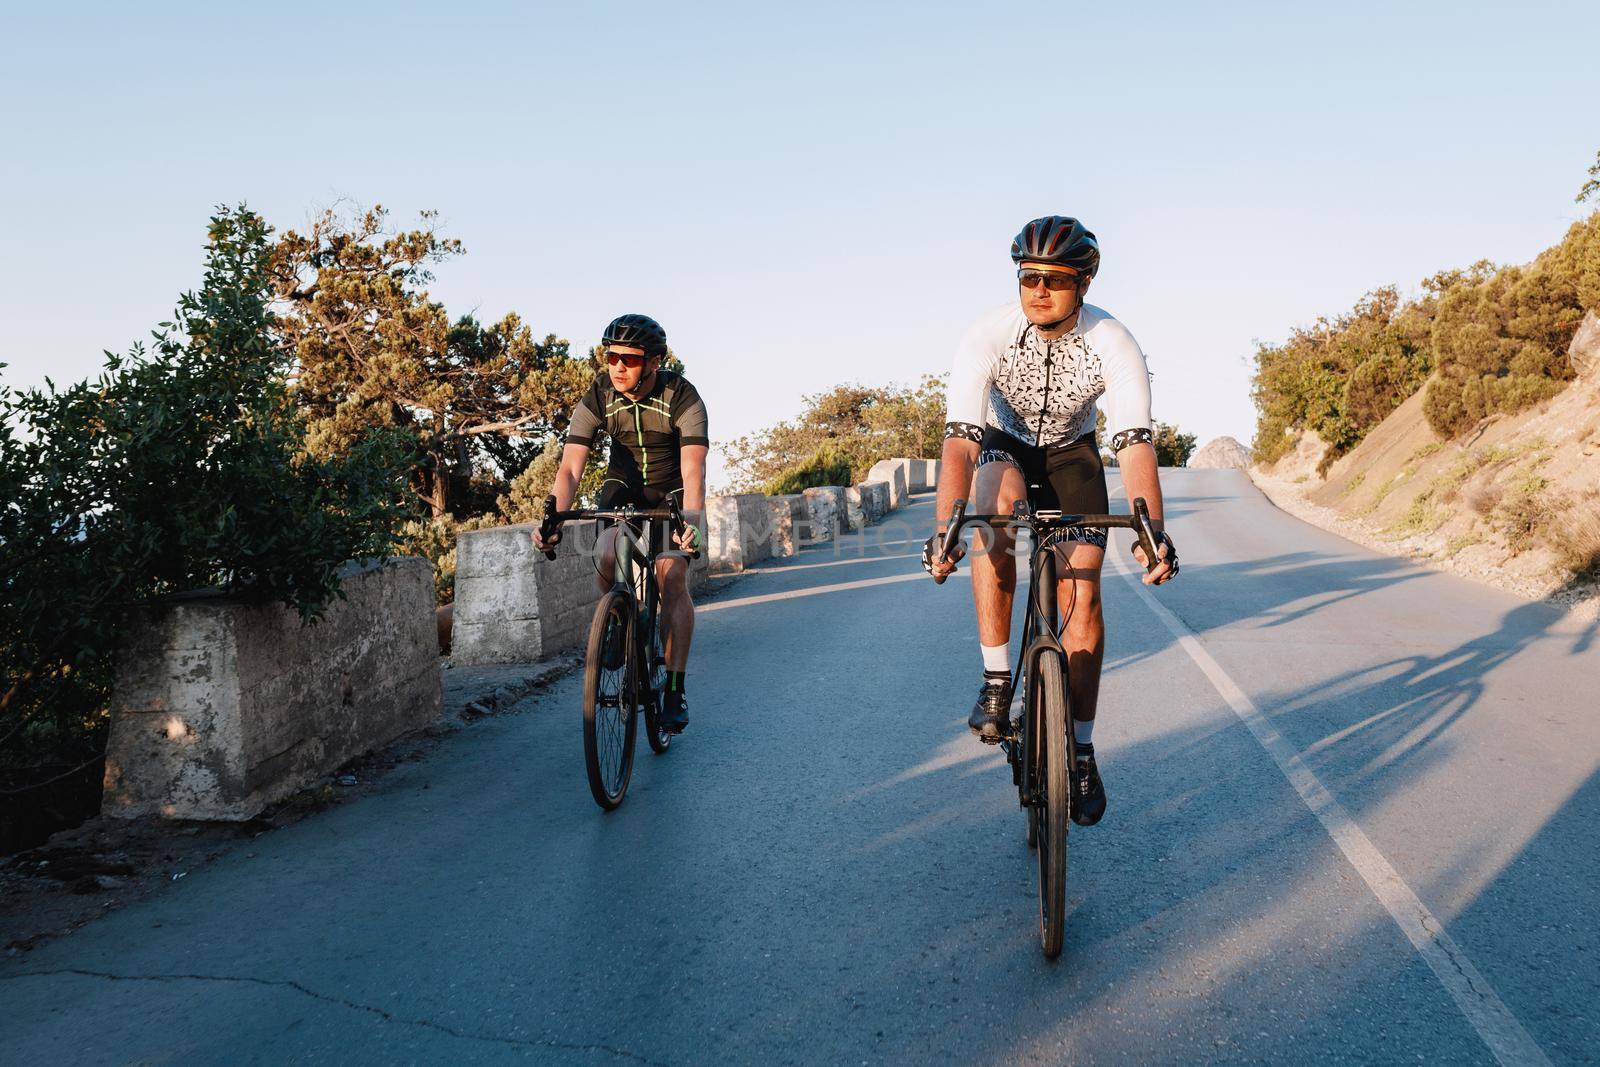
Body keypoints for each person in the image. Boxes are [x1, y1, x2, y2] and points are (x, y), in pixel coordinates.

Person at [923, 216, 1179, 826]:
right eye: (1028, 277)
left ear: (1083, 284)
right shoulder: (988, 334)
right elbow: (959, 441)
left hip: (1072, 456)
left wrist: (1152, 533)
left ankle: (1082, 750)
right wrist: (943, 529)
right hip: (1003, 446)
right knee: (993, 518)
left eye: (1055, 279)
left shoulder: (1112, 341)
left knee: (1083, 595)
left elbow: (1135, 443)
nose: (1038, 289)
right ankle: (995, 678)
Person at [532, 313, 709, 733]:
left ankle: (675, 689)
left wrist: (693, 523)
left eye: (628, 359)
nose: (617, 367)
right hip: (623, 484)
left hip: (671, 490)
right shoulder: (598, 395)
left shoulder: (682, 397)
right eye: (610, 356)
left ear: (653, 362)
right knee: (607, 551)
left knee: (671, 575)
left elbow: (694, 472)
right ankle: (624, 618)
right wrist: (552, 516)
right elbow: (571, 470)